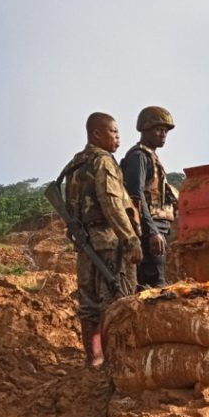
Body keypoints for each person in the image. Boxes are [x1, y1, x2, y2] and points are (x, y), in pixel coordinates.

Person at [63, 112, 142, 367]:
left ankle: (93, 360)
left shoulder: (75, 164)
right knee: (118, 302)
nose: (118, 138)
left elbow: (70, 205)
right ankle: (118, 362)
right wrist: (130, 238)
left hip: (86, 245)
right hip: (109, 242)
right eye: (114, 132)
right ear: (97, 133)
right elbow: (112, 204)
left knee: (88, 304)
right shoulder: (103, 161)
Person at [121, 106, 176, 289]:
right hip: (148, 229)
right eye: (158, 129)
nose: (163, 134)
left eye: (166, 131)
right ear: (145, 129)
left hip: (156, 228)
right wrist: (152, 231)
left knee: (153, 283)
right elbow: (136, 196)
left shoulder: (151, 157)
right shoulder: (139, 156)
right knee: (154, 286)